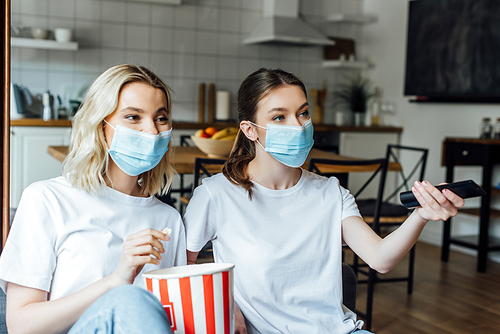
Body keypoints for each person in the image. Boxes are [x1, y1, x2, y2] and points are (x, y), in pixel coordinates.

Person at [183, 68, 464, 334]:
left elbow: (380, 259)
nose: (298, 125)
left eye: (303, 113)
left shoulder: (331, 192)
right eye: (279, 117)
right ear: (250, 130)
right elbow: (181, 266)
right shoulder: (216, 194)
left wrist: (421, 215)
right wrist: (224, 303)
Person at [0, 64, 186, 334]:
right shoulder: (47, 200)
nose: (152, 132)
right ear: (101, 126)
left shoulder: (169, 220)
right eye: (133, 117)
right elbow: (21, 326)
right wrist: (115, 281)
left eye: (161, 118)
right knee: (129, 298)